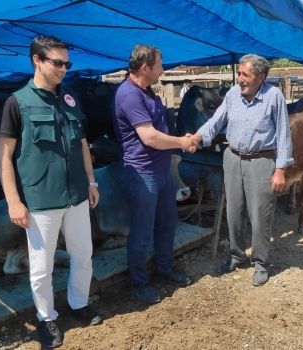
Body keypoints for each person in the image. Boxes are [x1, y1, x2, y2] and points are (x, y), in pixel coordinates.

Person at [0, 35, 102, 348]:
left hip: (77, 195)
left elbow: (81, 142)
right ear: (37, 61)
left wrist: (92, 181)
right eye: (57, 63)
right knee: (42, 268)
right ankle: (47, 319)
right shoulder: (17, 102)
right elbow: (4, 155)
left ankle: (79, 303)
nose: (64, 69)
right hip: (41, 200)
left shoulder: (69, 97)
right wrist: (13, 201)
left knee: (83, 256)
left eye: (67, 63)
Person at [194, 54, 293, 286]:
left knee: (259, 215)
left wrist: (280, 170)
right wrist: (198, 136)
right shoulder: (231, 95)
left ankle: (260, 262)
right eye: (239, 73)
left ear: (260, 76)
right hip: (232, 158)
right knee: (234, 212)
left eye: (244, 74)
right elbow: (215, 122)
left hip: (261, 160)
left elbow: (283, 135)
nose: (239, 79)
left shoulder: (273, 97)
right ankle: (236, 255)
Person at [114, 44, 197, 304]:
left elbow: (159, 131)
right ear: (145, 67)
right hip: (142, 173)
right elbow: (149, 137)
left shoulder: (147, 92)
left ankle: (164, 268)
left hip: (160, 170)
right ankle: (139, 283)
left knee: (167, 223)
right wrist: (182, 143)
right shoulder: (129, 95)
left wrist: (179, 141)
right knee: (142, 232)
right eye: (160, 64)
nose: (163, 69)